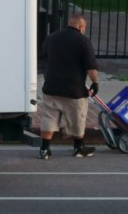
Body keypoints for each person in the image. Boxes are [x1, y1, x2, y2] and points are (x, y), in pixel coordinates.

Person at [38, 13, 100, 159]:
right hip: (74, 90)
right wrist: (95, 83)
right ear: (81, 26)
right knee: (77, 118)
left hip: (51, 87)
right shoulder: (83, 41)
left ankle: (44, 150)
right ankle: (79, 147)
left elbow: (43, 57)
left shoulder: (51, 38)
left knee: (49, 118)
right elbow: (91, 67)